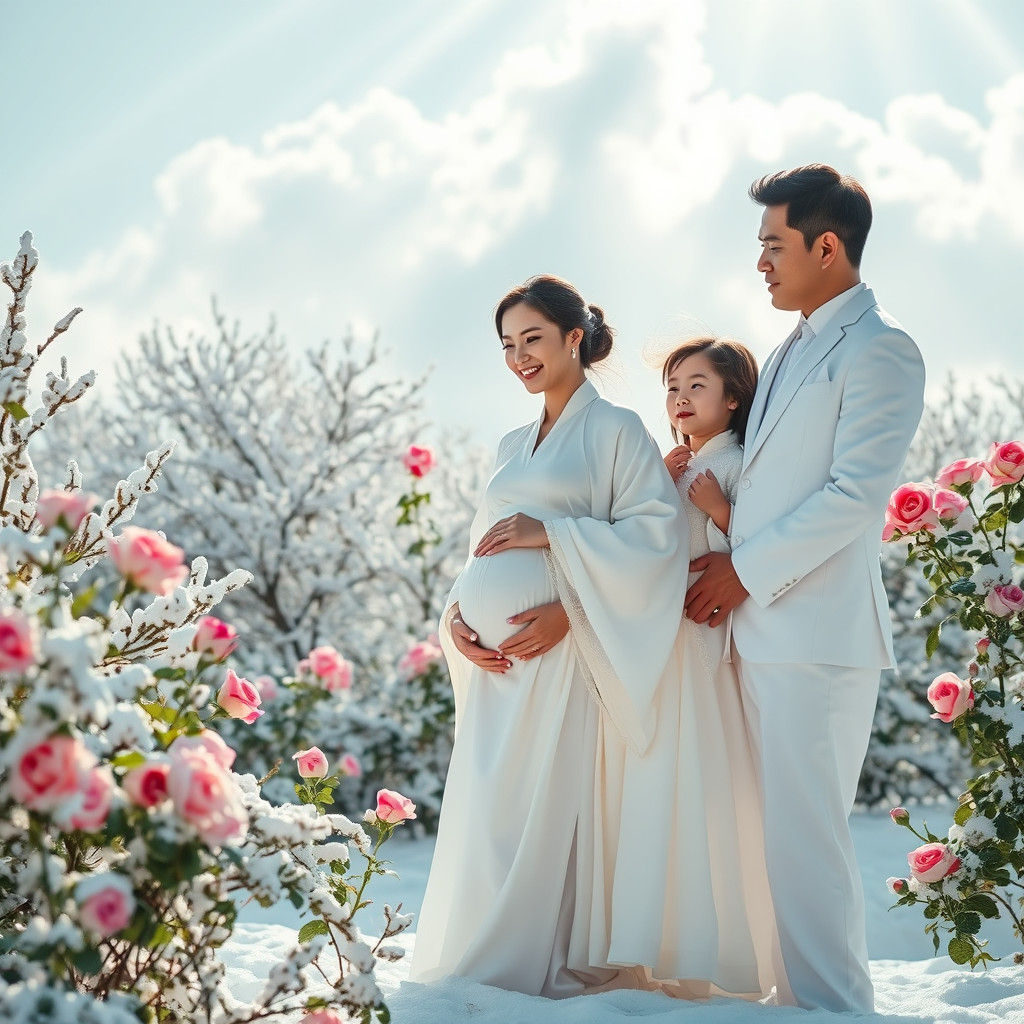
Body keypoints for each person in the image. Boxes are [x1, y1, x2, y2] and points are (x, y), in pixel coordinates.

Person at [683, 164, 926, 1013]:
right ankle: (794, 1004)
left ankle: (835, 1010)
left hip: (818, 639)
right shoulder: (788, 349)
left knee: (806, 843)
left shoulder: (882, 347)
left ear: (828, 246)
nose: (760, 263)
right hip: (758, 635)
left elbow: (855, 496)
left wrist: (741, 570)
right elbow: (776, 483)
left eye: (773, 245)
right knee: (763, 842)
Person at [410, 275, 689, 997]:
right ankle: (484, 948)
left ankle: (539, 958)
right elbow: (483, 549)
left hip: (566, 655)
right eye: (507, 345)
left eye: (532, 338)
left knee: (545, 804)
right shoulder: (510, 442)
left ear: (574, 336)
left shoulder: (617, 430)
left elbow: (659, 539)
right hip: (499, 663)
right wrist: (457, 622)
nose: (519, 357)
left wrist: (565, 574)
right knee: (494, 805)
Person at [593, 337, 785, 1001]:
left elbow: (760, 552)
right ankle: (655, 940)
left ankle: (706, 951)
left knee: (696, 782)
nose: (679, 397)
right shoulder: (686, 463)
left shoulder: (734, 463)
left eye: (697, 385)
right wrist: (670, 480)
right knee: (661, 784)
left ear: (732, 398)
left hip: (698, 643)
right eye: (673, 386)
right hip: (666, 640)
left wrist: (714, 507)